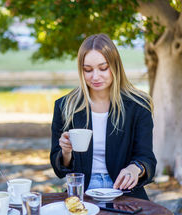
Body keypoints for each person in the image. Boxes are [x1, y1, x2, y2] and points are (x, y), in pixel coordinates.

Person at [50, 33, 156, 200]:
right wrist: (66, 152)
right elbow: (59, 170)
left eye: (103, 68)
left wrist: (134, 169)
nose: (95, 76)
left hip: (125, 191)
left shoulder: (138, 106)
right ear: (81, 70)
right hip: (82, 192)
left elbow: (146, 157)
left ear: (115, 66)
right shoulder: (65, 106)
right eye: (88, 70)